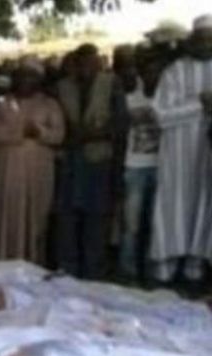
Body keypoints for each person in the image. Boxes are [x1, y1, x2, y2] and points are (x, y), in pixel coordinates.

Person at [55, 43, 127, 279]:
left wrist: (91, 135)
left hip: (99, 162)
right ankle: (68, 271)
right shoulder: (62, 87)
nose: (86, 67)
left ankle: (93, 273)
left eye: (91, 62)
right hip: (70, 163)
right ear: (75, 64)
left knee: (97, 220)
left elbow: (120, 125)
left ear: (99, 63)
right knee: (67, 219)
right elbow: (56, 122)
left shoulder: (112, 84)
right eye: (81, 63)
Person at [150, 15, 212, 283]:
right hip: (177, 155)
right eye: (202, 39)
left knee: (204, 207)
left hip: (207, 154)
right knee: (172, 207)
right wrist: (200, 105)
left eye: (211, 39)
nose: (206, 44)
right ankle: (166, 264)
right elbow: (161, 114)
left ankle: (195, 265)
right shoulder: (174, 71)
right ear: (192, 40)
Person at [0, 58, 65, 264]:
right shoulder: (1, 103)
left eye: (30, 76)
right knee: (8, 217)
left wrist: (39, 132)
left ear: (39, 80)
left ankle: (33, 263)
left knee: (35, 218)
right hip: (8, 174)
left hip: (38, 173)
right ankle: (4, 262)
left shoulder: (50, 104)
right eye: (21, 76)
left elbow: (59, 135)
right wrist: (19, 132)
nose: (25, 81)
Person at [120, 51, 162, 279]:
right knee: (132, 225)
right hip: (135, 166)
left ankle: (151, 269)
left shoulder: (167, 99)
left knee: (156, 223)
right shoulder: (130, 98)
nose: (152, 77)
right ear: (141, 75)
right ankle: (128, 270)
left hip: (162, 167)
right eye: (148, 72)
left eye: (156, 72)